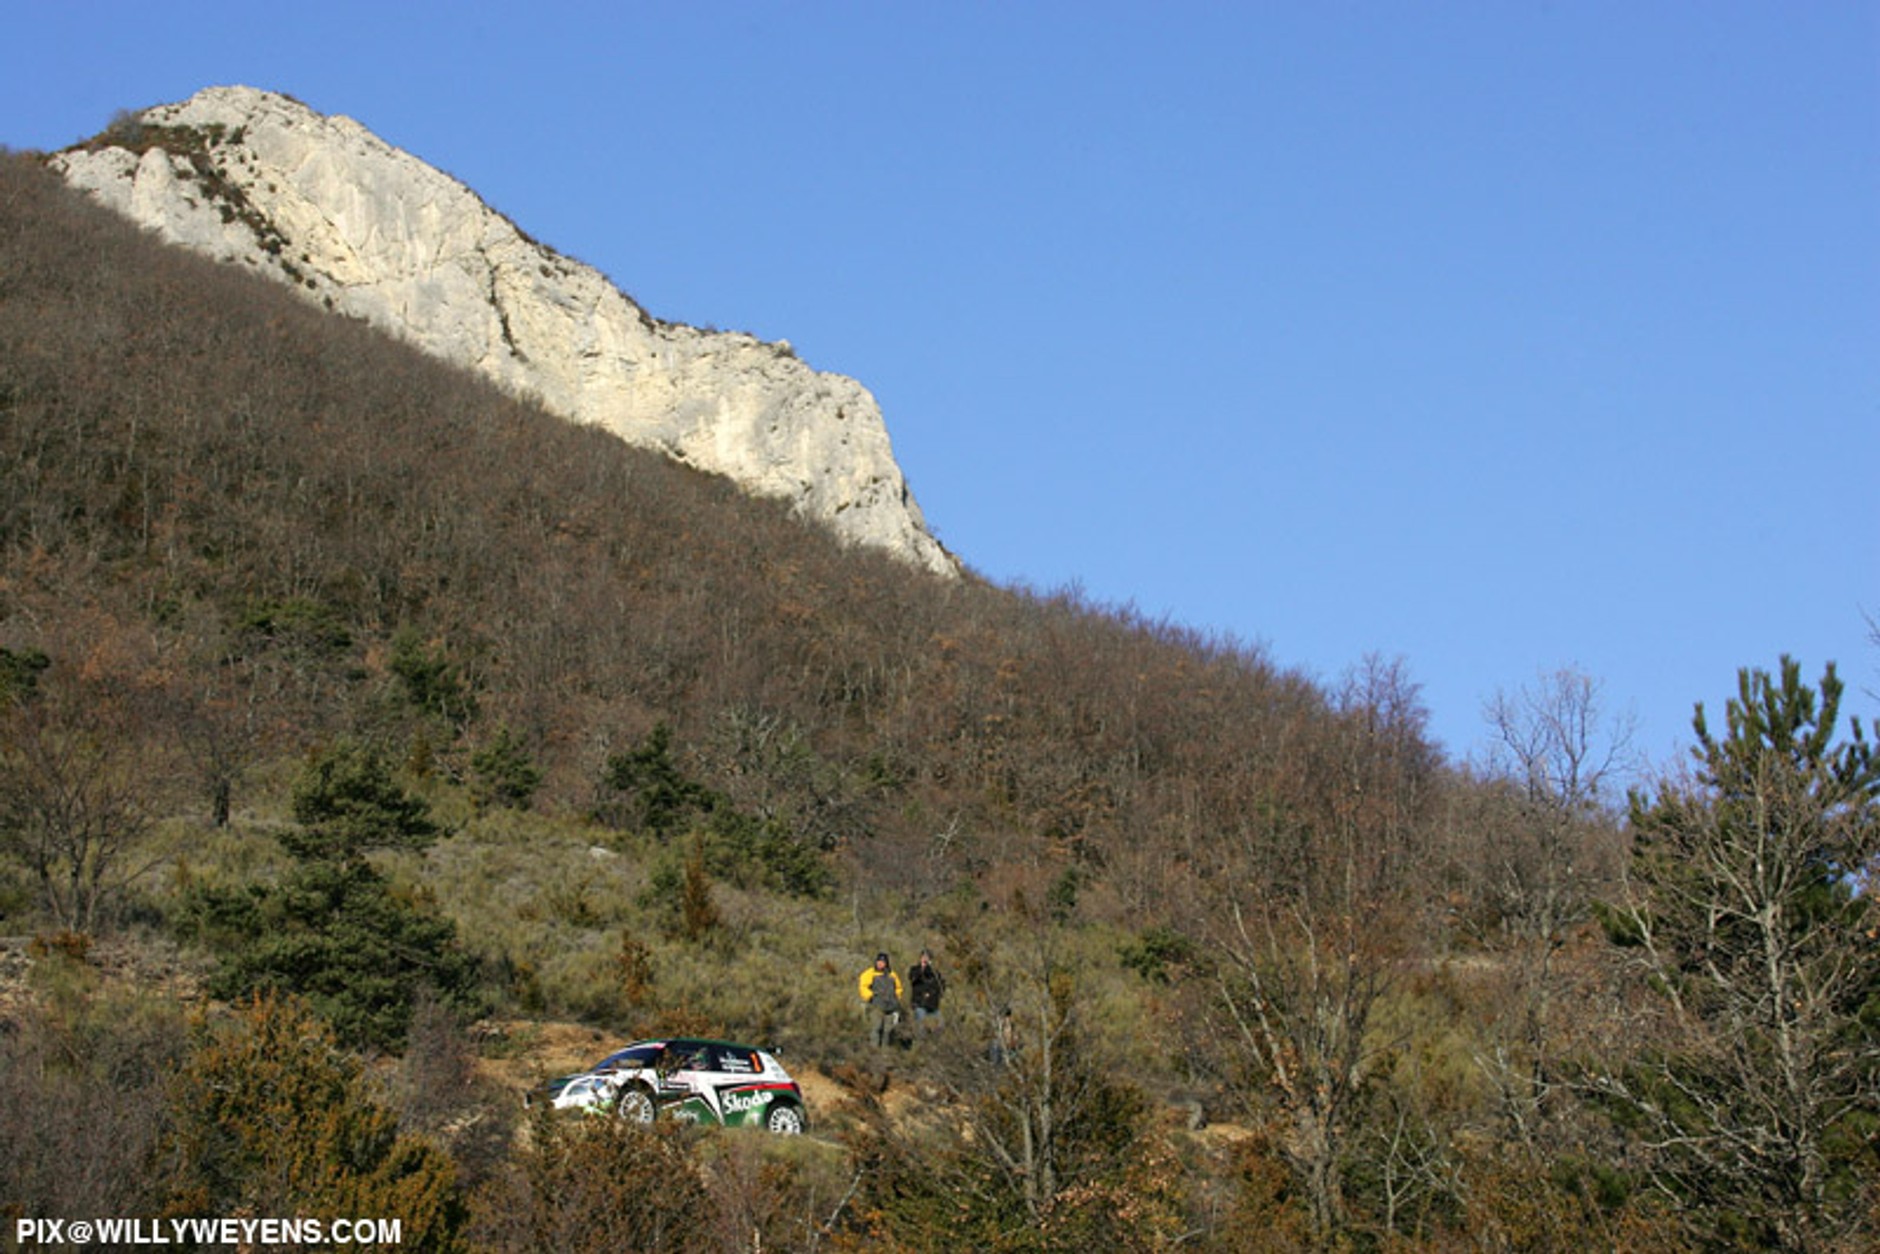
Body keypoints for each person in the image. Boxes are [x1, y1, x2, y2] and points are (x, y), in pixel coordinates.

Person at [858, 952, 904, 1048]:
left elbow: (899, 988)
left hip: (891, 1007)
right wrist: (870, 996)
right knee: (876, 1028)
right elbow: (863, 986)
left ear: (886, 963)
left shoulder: (892, 974)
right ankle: (874, 1051)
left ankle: (884, 1053)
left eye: (882, 962)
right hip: (877, 1006)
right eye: (878, 961)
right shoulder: (870, 973)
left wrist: (897, 998)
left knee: (887, 1031)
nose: (880, 963)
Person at [908, 948, 946, 1034]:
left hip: (933, 1005)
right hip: (919, 1004)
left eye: (927, 957)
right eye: (923, 957)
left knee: (940, 1025)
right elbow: (912, 978)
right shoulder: (915, 969)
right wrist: (922, 968)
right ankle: (921, 1045)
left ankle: (934, 1043)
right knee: (921, 1028)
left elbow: (941, 986)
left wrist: (934, 994)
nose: (925, 959)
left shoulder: (935, 973)